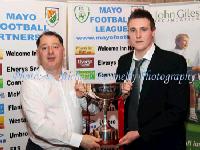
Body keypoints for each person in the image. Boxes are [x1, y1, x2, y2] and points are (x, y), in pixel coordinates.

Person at [116, 9, 189, 150]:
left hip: (164, 143)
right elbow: (120, 101)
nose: (138, 35)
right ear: (128, 33)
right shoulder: (123, 61)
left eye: (143, 29)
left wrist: (140, 133)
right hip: (129, 143)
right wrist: (122, 95)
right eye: (133, 30)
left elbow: (179, 110)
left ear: (153, 32)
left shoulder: (174, 62)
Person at [20, 31, 101, 150]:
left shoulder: (74, 78)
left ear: (63, 50)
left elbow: (95, 110)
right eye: (44, 48)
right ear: (38, 53)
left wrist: (82, 97)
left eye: (55, 47)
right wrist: (79, 140)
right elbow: (40, 126)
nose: (50, 52)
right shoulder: (31, 83)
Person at [172, 33, 200, 122]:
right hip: (174, 76)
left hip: (188, 74)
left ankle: (192, 114)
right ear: (177, 41)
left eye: (187, 41)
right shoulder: (170, 52)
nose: (186, 43)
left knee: (192, 89)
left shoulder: (192, 53)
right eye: (184, 40)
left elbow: (197, 67)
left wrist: (192, 69)